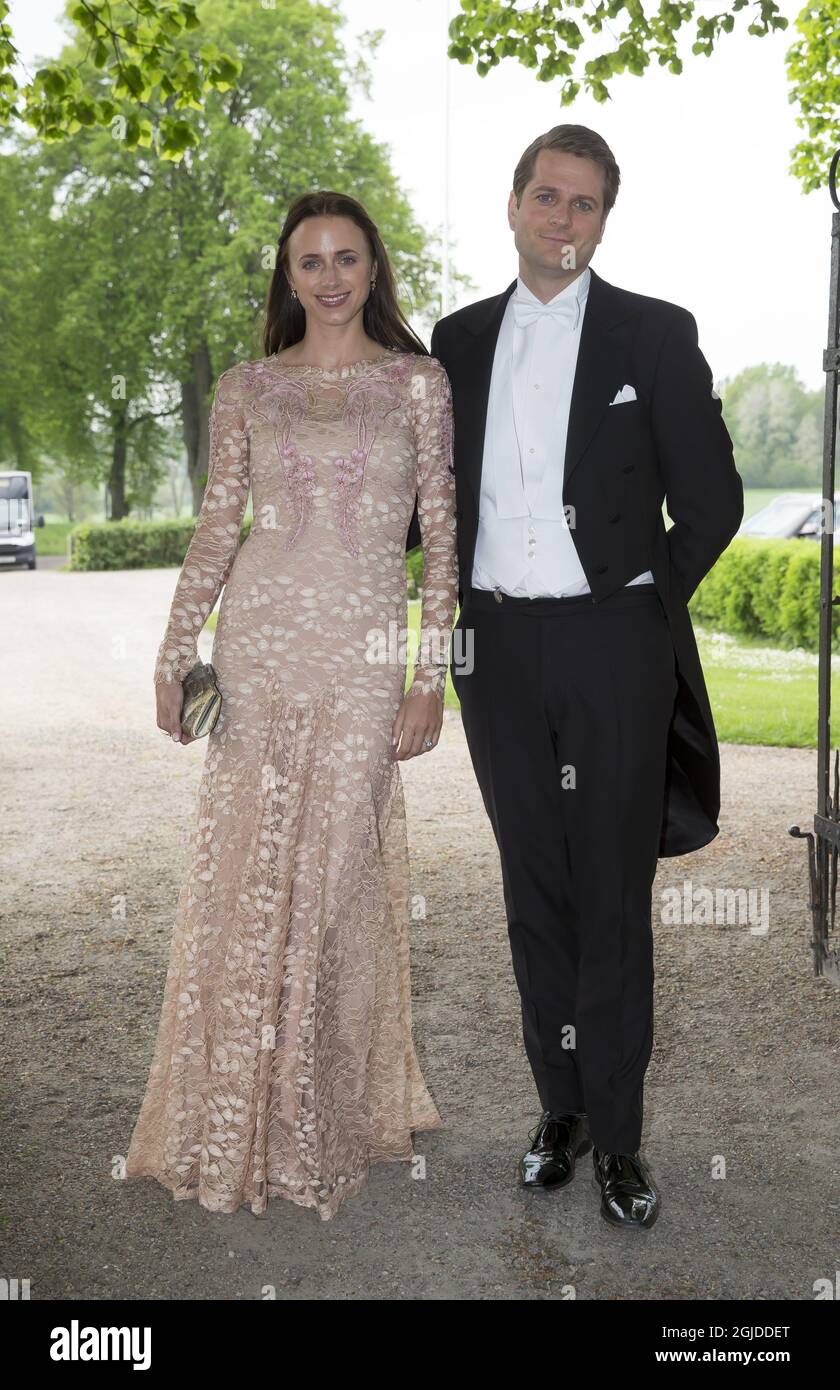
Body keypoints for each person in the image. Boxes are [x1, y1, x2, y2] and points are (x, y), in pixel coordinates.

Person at [124, 191, 458, 1221]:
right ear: (287, 272)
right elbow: (218, 528)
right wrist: (176, 655)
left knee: (333, 880)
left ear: (373, 268)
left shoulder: (419, 383)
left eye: (346, 257)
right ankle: (234, 1118)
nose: (328, 276)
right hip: (261, 651)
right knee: (248, 879)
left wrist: (427, 674)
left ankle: (312, 1116)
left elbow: (442, 540)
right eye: (309, 260)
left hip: (362, 659)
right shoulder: (246, 388)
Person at [433, 125, 743, 1230]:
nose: (565, 220)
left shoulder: (654, 335)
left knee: (613, 898)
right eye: (548, 198)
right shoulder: (455, 342)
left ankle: (619, 1136)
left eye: (587, 205)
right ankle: (556, 1110)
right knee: (535, 889)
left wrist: (646, 614)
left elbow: (712, 502)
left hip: (615, 646)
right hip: (499, 654)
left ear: (605, 220)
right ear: (512, 205)